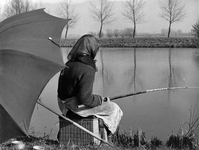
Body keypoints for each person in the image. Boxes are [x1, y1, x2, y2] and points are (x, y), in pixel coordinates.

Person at [57, 34, 123, 137]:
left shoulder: (69, 63)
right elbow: (85, 99)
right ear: (92, 49)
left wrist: (97, 100)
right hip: (73, 108)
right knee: (114, 108)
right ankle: (105, 137)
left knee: (102, 106)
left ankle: (100, 134)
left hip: (61, 104)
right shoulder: (87, 69)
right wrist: (100, 100)